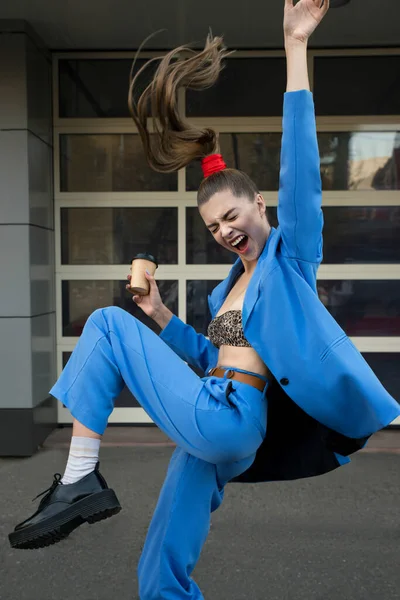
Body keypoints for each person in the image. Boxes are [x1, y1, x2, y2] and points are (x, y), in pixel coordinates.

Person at [9, 1, 400, 598]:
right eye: (213, 226)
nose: (223, 231)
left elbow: (303, 170)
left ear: (260, 206)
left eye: (232, 216)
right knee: (164, 552)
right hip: (214, 412)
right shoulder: (228, 291)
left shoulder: (288, 264)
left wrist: (296, 48)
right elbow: (206, 356)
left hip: (235, 418)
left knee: (108, 326)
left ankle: (79, 479)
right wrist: (161, 314)